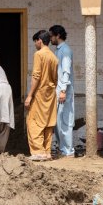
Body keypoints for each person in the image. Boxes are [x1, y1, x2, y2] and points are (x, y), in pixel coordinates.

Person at [24, 30, 58, 161]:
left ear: (40, 40)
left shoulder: (39, 54)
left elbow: (36, 76)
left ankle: (38, 152)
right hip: (51, 94)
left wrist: (29, 95)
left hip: (40, 93)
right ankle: (47, 152)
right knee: (48, 123)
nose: (35, 44)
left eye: (35, 41)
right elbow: (56, 78)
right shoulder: (54, 57)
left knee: (33, 122)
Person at [49, 24, 74, 158]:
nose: (50, 39)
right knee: (58, 122)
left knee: (65, 121)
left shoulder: (65, 50)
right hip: (59, 90)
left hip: (64, 91)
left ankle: (68, 151)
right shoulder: (58, 50)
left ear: (58, 35)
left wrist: (63, 90)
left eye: (51, 36)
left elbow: (66, 72)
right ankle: (63, 149)